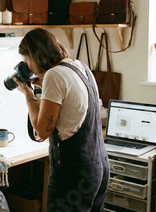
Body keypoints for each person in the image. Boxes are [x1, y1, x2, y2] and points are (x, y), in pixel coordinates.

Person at [13, 28, 109, 211]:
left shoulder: (54, 75)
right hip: (99, 165)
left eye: (27, 61)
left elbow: (42, 131)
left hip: (75, 171)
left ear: (35, 55)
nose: (29, 67)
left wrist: (28, 95)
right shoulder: (78, 66)